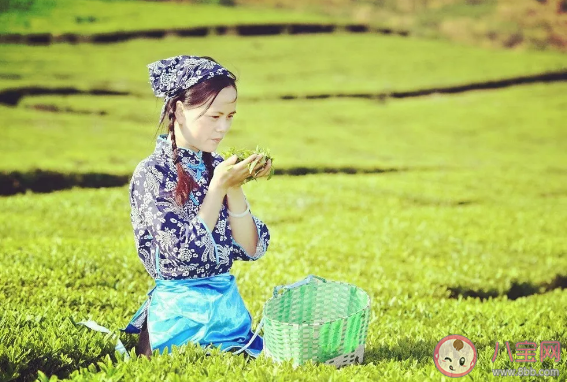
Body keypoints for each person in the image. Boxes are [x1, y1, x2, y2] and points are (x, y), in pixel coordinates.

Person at [121, 54, 272, 360]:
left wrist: (234, 185)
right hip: (176, 323)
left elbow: (251, 248)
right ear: (177, 109)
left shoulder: (217, 166)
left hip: (228, 319)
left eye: (230, 116)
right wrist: (218, 187)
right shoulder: (151, 173)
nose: (223, 128)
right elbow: (184, 252)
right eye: (214, 117)